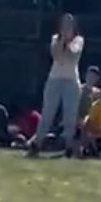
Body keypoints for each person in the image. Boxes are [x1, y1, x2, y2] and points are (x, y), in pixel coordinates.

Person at [28, 14, 85, 156]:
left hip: (71, 81)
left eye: (69, 23)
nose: (66, 26)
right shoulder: (55, 39)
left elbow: (72, 55)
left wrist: (68, 41)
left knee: (70, 115)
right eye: (64, 23)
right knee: (48, 112)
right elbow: (56, 55)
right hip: (54, 79)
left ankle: (69, 146)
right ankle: (37, 143)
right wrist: (62, 40)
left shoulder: (78, 40)